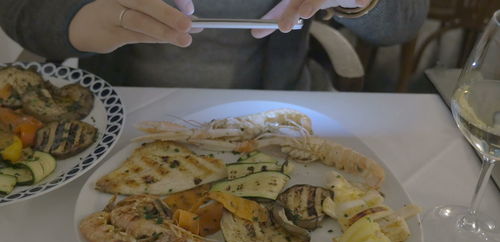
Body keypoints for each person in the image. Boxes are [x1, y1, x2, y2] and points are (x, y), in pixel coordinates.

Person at [0, 0, 428, 90]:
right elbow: (21, 11)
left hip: (278, 108)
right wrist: (72, 22)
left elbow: (405, 20)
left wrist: (364, 2)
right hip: (125, 110)